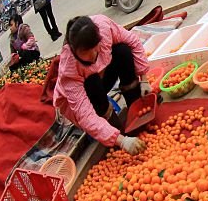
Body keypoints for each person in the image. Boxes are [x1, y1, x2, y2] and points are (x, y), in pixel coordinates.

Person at [53, 15, 150, 155]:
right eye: (85, 52)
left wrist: (144, 78)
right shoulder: (69, 69)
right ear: (74, 51)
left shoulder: (104, 28)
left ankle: (136, 114)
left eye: (95, 48)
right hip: (85, 94)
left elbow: (133, 41)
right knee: (92, 81)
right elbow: (85, 115)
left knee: (122, 51)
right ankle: (116, 132)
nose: (92, 55)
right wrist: (121, 140)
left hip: (102, 76)